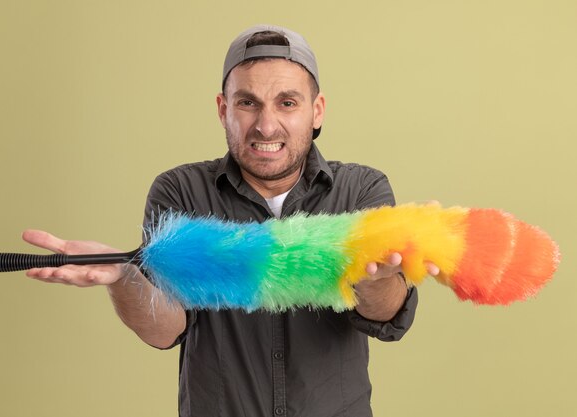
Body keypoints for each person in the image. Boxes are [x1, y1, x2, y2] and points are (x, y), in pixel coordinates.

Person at [23, 25, 438, 417]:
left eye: (287, 103)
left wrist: (374, 278)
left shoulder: (361, 191)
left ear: (317, 111)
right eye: (247, 102)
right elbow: (164, 331)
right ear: (224, 109)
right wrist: (123, 277)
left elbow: (388, 319)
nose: (266, 124)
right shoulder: (180, 192)